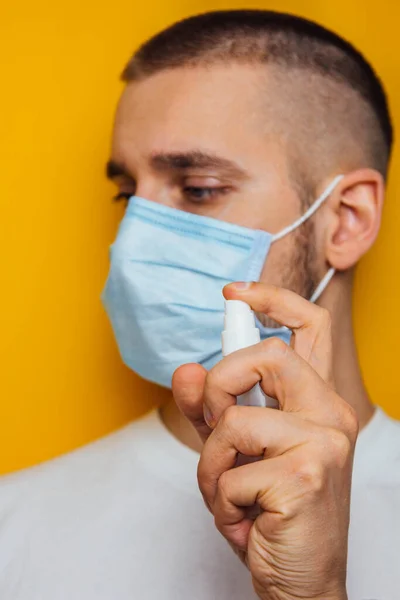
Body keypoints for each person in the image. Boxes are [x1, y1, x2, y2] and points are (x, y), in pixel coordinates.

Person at [1, 9, 399, 600]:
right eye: (127, 195)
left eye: (199, 190)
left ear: (346, 221)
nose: (134, 239)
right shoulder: (14, 526)